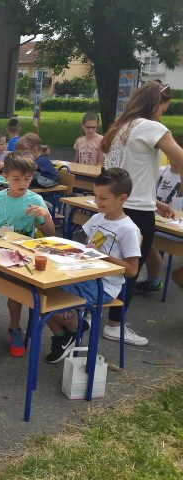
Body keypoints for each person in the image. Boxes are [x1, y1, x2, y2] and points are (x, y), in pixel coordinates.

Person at [101, 81, 183, 326]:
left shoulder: (120, 127)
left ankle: (94, 315)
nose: (162, 114)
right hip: (137, 214)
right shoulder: (151, 127)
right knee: (130, 270)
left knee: (110, 265)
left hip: (114, 206)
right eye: (163, 109)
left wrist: (154, 202)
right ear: (156, 104)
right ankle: (115, 325)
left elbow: (127, 176)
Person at [44, 168, 144, 362]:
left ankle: (75, 326)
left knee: (48, 296)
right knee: (40, 290)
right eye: (96, 196)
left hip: (104, 286)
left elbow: (132, 270)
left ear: (122, 198)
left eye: (103, 198)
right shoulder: (98, 218)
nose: (97, 202)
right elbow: (86, 248)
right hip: (84, 274)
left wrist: (103, 257)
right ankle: (65, 335)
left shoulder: (128, 229)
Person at [0, 151, 55, 357]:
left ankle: (14, 328)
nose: (22, 183)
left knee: (15, 290)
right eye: (16, 179)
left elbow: (50, 234)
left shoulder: (35, 200)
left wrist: (46, 216)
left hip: (20, 256)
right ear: (5, 176)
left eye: (27, 178)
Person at [135, 156, 182, 293]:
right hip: (156, 218)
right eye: (172, 158)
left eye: (178, 159)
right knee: (143, 237)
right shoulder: (161, 171)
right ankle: (151, 279)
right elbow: (146, 192)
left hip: (175, 226)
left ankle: (152, 280)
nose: (174, 162)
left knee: (146, 239)